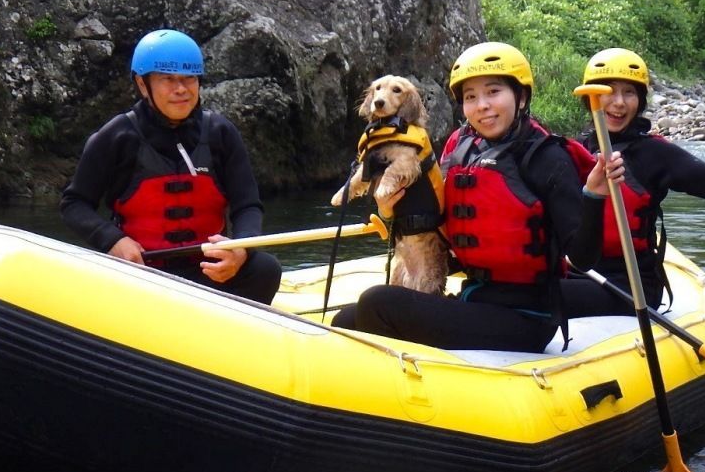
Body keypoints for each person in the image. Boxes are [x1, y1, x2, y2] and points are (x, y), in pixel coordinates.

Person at [331, 42, 623, 352]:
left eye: (493, 92)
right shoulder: (460, 148)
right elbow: (434, 216)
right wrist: (388, 212)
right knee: (345, 320)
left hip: (526, 318)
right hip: (475, 296)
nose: (482, 105)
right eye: (471, 97)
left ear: (521, 96)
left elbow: (582, 257)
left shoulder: (546, 157)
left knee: (378, 303)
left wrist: (593, 195)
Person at [60, 29, 281, 305]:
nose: (181, 89)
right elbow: (74, 204)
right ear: (143, 85)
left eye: (189, 78)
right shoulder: (116, 137)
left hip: (208, 272)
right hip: (142, 274)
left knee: (265, 269)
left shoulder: (221, 134)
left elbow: (247, 205)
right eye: (167, 79)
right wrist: (113, 241)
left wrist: (240, 250)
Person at [562, 47, 705, 317]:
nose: (619, 102)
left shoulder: (655, 154)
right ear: (589, 98)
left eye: (630, 92)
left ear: (640, 101)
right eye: (608, 90)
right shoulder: (572, 150)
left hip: (630, 286)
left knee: (544, 298)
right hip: (576, 272)